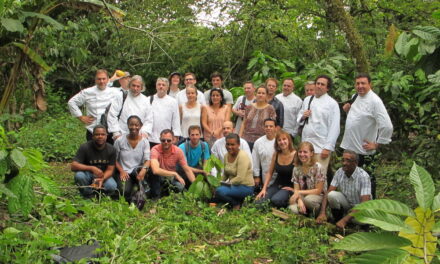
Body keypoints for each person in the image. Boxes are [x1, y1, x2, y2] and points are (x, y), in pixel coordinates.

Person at [340, 73, 393, 199]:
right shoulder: (355, 97)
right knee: (349, 179)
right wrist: (348, 111)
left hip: (363, 151)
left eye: (363, 83)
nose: (360, 86)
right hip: (349, 147)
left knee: (367, 181)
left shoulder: (375, 101)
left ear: (370, 84)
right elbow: (358, 119)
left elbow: (387, 125)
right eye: (357, 83)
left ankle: (369, 209)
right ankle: (351, 207)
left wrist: (377, 143)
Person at [316, 150, 371, 229]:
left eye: (348, 160)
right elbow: (328, 192)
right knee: (331, 195)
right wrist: (322, 213)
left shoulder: (363, 176)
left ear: (355, 163)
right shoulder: (340, 172)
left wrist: (345, 220)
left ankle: (347, 221)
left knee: (361, 221)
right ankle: (337, 220)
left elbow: (364, 204)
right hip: (348, 205)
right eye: (343, 160)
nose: (344, 163)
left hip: (360, 208)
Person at [297, 75, 340, 176]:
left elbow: (335, 127)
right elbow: (299, 118)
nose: (319, 86)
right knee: (306, 175)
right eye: (318, 83)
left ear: (327, 88)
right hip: (306, 146)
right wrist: (303, 116)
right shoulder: (308, 99)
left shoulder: (332, 104)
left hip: (321, 146)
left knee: (319, 177)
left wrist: (328, 147)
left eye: (322, 84)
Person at [68, 69, 121, 143]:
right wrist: (80, 117)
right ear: (95, 80)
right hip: (92, 130)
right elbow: (72, 102)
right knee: (92, 153)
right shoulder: (88, 92)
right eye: (99, 79)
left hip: (110, 130)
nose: (101, 81)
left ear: (107, 79)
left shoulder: (115, 92)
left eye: (103, 79)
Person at [71, 125, 117, 198]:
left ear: (106, 136)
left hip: (102, 175)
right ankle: (88, 195)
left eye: (102, 134)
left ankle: (98, 193)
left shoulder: (111, 149)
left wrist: (102, 178)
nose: (100, 136)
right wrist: (92, 168)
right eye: (97, 134)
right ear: (93, 136)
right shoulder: (85, 147)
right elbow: (73, 166)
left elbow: (110, 170)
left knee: (112, 186)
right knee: (79, 176)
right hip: (88, 174)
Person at [114, 116, 150, 203]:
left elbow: (147, 160)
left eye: (136, 125)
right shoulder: (119, 141)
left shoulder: (145, 142)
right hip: (125, 172)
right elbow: (114, 160)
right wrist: (121, 171)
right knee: (124, 191)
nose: (134, 127)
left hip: (138, 170)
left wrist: (143, 171)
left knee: (147, 192)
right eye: (131, 125)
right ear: (128, 125)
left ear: (140, 126)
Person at [256, 129, 296, 208]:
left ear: (289, 140)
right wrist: (264, 189)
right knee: (259, 202)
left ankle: (282, 205)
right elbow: (270, 172)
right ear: (277, 143)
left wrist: (296, 191)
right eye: (279, 140)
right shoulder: (276, 154)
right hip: (277, 184)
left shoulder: (296, 154)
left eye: (284, 139)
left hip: (289, 186)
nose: (282, 142)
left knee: (276, 200)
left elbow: (300, 175)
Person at [149, 129, 196, 198]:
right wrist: (174, 174)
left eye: (168, 140)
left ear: (173, 139)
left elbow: (187, 170)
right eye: (163, 140)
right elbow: (155, 170)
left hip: (171, 178)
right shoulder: (155, 149)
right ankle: (156, 197)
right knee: (153, 174)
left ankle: (165, 193)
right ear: (159, 139)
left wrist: (195, 185)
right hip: (159, 177)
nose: (166, 142)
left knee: (180, 187)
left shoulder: (178, 151)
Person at [213, 133, 254, 209]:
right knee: (217, 191)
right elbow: (225, 174)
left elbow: (240, 178)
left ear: (238, 145)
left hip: (245, 187)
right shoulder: (226, 155)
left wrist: (225, 184)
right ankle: (237, 200)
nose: (229, 147)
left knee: (220, 191)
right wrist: (218, 183)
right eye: (227, 144)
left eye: (232, 144)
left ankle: (236, 203)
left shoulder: (242, 156)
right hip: (234, 185)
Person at [107, 75, 152, 140]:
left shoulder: (146, 100)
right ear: (129, 85)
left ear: (141, 88)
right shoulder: (121, 96)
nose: (135, 88)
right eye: (133, 85)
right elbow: (112, 115)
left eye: (138, 86)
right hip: (121, 135)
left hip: (139, 137)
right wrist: (116, 132)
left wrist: (145, 132)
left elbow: (149, 119)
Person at [288, 142, 326, 216]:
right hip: (302, 195)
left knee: (308, 200)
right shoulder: (296, 169)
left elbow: (318, 191)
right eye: (300, 152)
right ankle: (304, 213)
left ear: (311, 153)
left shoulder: (318, 167)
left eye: (305, 152)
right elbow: (296, 190)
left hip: (317, 197)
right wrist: (299, 199)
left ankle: (316, 214)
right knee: (292, 205)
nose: (302, 154)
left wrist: (299, 193)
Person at [239, 85, 276, 151]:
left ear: (266, 95)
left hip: (262, 140)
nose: (260, 95)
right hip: (246, 139)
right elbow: (244, 123)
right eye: (259, 93)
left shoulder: (270, 109)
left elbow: (272, 126)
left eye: (263, 93)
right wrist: (239, 137)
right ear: (256, 94)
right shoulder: (249, 107)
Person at [149, 77, 181, 148]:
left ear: (167, 87)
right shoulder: (149, 100)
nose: (161, 86)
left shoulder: (173, 101)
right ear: (156, 86)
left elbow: (176, 119)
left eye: (163, 85)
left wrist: (176, 135)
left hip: (166, 139)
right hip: (151, 137)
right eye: (159, 84)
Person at [252, 118, 277, 189]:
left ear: (275, 128)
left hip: (279, 176)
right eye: (266, 126)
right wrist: (256, 176)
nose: (268, 128)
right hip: (265, 176)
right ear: (263, 128)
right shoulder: (258, 142)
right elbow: (255, 161)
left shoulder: (280, 141)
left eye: (271, 126)